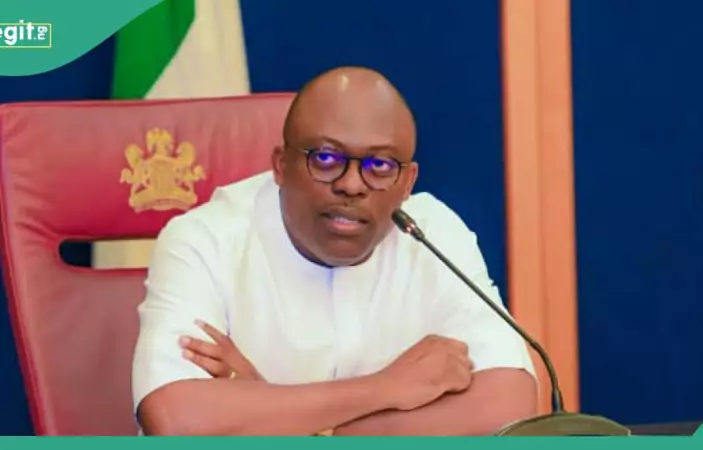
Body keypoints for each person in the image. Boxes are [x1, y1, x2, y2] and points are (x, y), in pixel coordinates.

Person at [132, 66, 538, 436]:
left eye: (380, 166)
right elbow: (174, 420)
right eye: (326, 159)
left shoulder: (434, 234)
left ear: (407, 182)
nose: (352, 185)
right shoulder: (205, 239)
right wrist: (386, 388)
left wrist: (294, 422)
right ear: (281, 166)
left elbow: (509, 406)